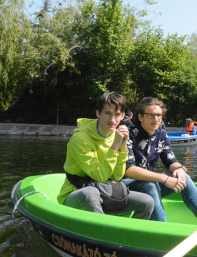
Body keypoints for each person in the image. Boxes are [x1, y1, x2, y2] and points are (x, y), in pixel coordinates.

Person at [58, 92, 154, 220]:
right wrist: (115, 146)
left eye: (117, 114)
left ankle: (128, 234)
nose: (112, 120)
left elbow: (117, 176)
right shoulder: (80, 139)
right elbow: (100, 176)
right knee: (90, 194)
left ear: (123, 116)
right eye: (108, 113)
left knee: (146, 202)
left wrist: (123, 146)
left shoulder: (118, 136)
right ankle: (101, 233)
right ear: (98, 113)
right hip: (76, 194)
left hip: (104, 192)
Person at [123, 97, 197, 223]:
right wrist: (164, 179)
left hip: (149, 183)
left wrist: (180, 169)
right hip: (126, 187)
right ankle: (162, 229)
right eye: (151, 115)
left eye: (158, 115)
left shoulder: (161, 134)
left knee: (183, 178)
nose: (156, 120)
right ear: (140, 117)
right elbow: (129, 170)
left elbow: (170, 160)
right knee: (150, 185)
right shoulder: (128, 135)